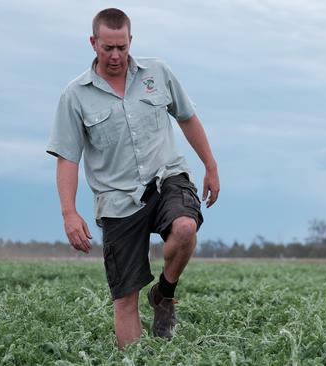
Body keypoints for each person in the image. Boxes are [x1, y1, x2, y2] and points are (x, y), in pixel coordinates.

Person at [46, 8, 219, 349]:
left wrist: (210, 166)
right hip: (116, 198)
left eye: (122, 47)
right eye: (107, 47)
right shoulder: (75, 95)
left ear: (130, 42)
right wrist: (69, 213)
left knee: (185, 227)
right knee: (125, 299)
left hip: (166, 177)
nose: (115, 56)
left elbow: (187, 118)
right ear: (93, 42)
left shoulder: (158, 72)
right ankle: (137, 357)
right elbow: (68, 157)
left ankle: (165, 293)